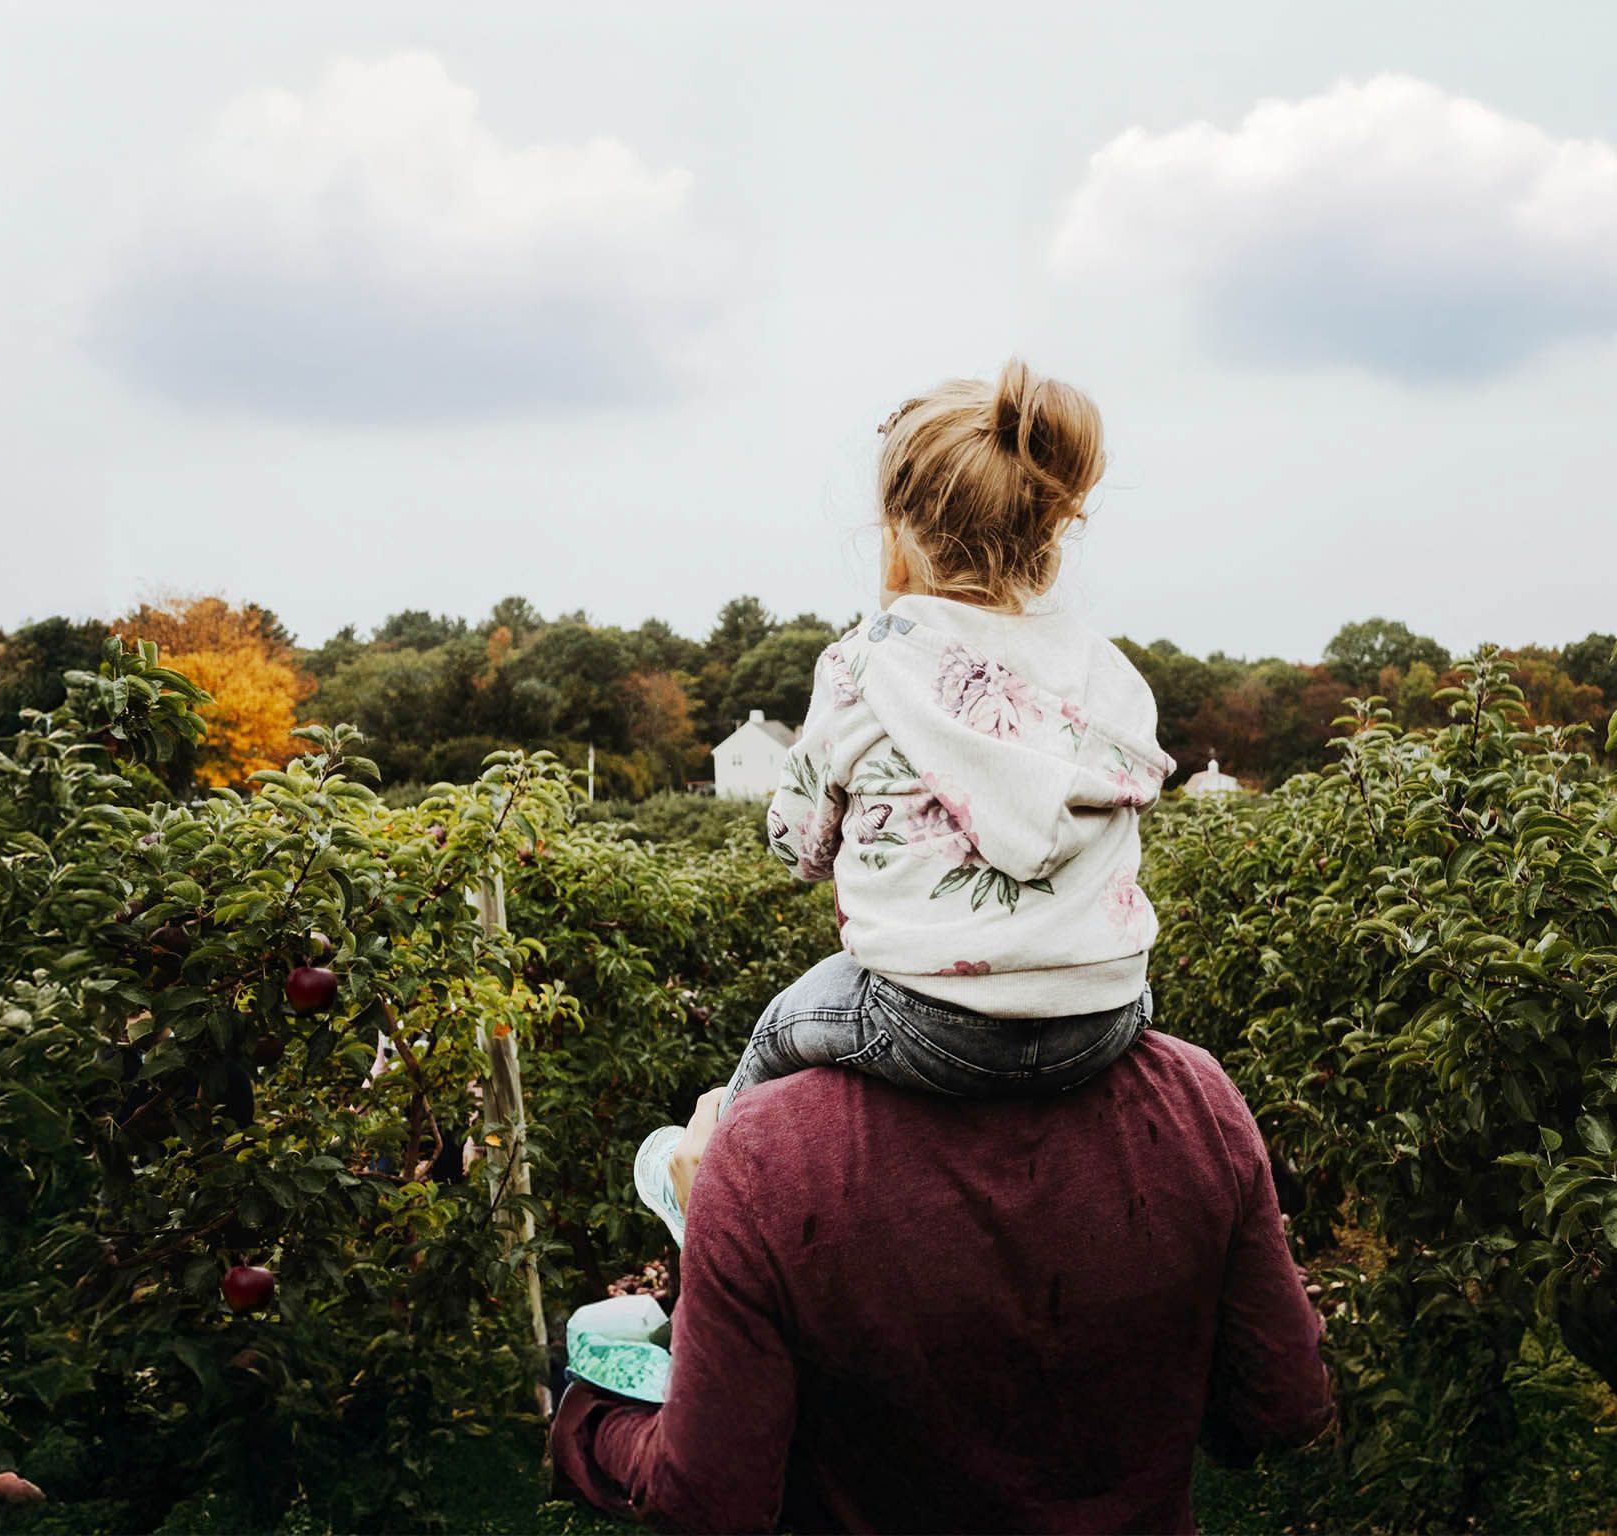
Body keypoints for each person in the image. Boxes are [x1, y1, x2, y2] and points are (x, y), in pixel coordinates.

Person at [635, 359, 1177, 1240]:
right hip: (1105, 1015)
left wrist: (809, 833)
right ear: (1049, 530)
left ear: (901, 533)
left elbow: (800, 844)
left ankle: (705, 1199)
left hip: (928, 1021)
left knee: (780, 1025)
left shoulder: (867, 661)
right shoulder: (1106, 671)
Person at [553, 1030, 1336, 1532]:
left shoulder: (767, 1149)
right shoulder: (1192, 1092)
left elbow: (713, 1495)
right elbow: (1281, 1405)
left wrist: (590, 1425)